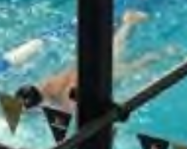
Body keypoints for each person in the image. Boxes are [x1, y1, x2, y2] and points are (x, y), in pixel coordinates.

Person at [16, 9, 161, 112]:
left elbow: (74, 93)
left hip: (97, 73)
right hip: (85, 66)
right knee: (117, 53)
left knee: (132, 65)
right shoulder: (43, 85)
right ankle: (129, 24)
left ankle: (130, 23)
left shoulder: (58, 95)